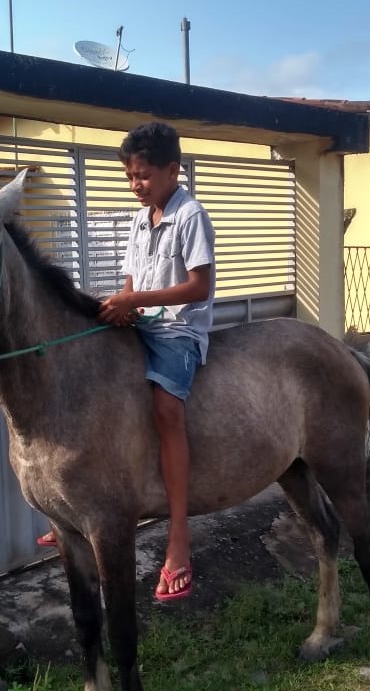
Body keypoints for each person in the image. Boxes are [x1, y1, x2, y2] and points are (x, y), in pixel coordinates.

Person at [98, 121, 216, 602]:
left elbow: (198, 286)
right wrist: (118, 306)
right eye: (129, 176)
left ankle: (180, 538)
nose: (135, 184)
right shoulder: (138, 219)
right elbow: (131, 285)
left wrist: (137, 299)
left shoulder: (191, 215)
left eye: (142, 175)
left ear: (173, 169)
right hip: (143, 322)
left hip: (178, 329)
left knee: (167, 410)